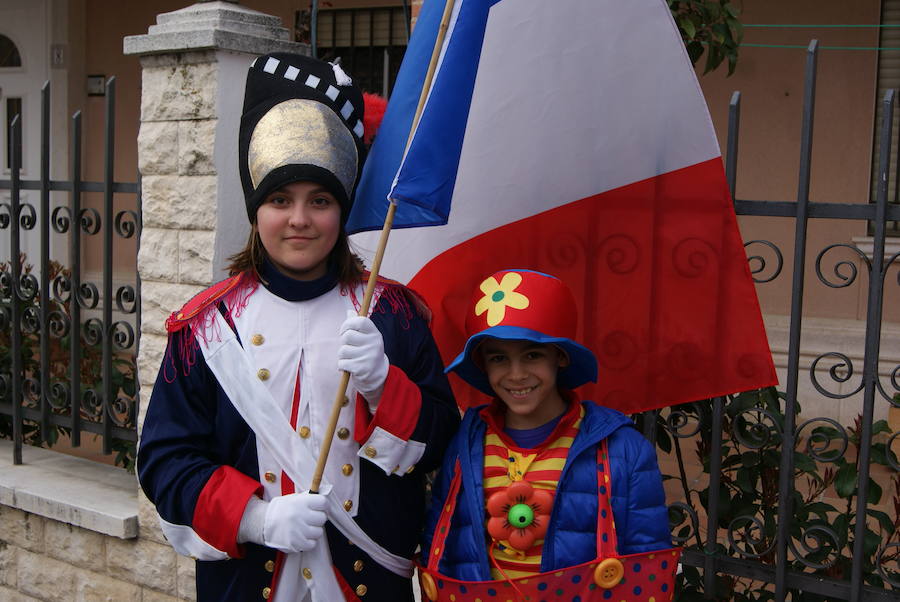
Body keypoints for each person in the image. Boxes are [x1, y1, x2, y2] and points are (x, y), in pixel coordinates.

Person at [137, 53, 459, 602]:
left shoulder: (395, 315)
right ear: (255, 210)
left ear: (342, 209)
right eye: (280, 200)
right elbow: (166, 460)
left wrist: (386, 389)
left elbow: (440, 445)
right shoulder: (207, 330)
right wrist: (256, 518)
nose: (300, 220)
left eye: (321, 200)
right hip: (246, 583)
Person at [418, 269, 678, 601]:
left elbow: (647, 565)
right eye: (499, 358)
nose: (516, 374)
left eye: (532, 355)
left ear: (561, 357)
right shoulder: (465, 445)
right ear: (483, 364)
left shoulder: (623, 450)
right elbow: (443, 550)